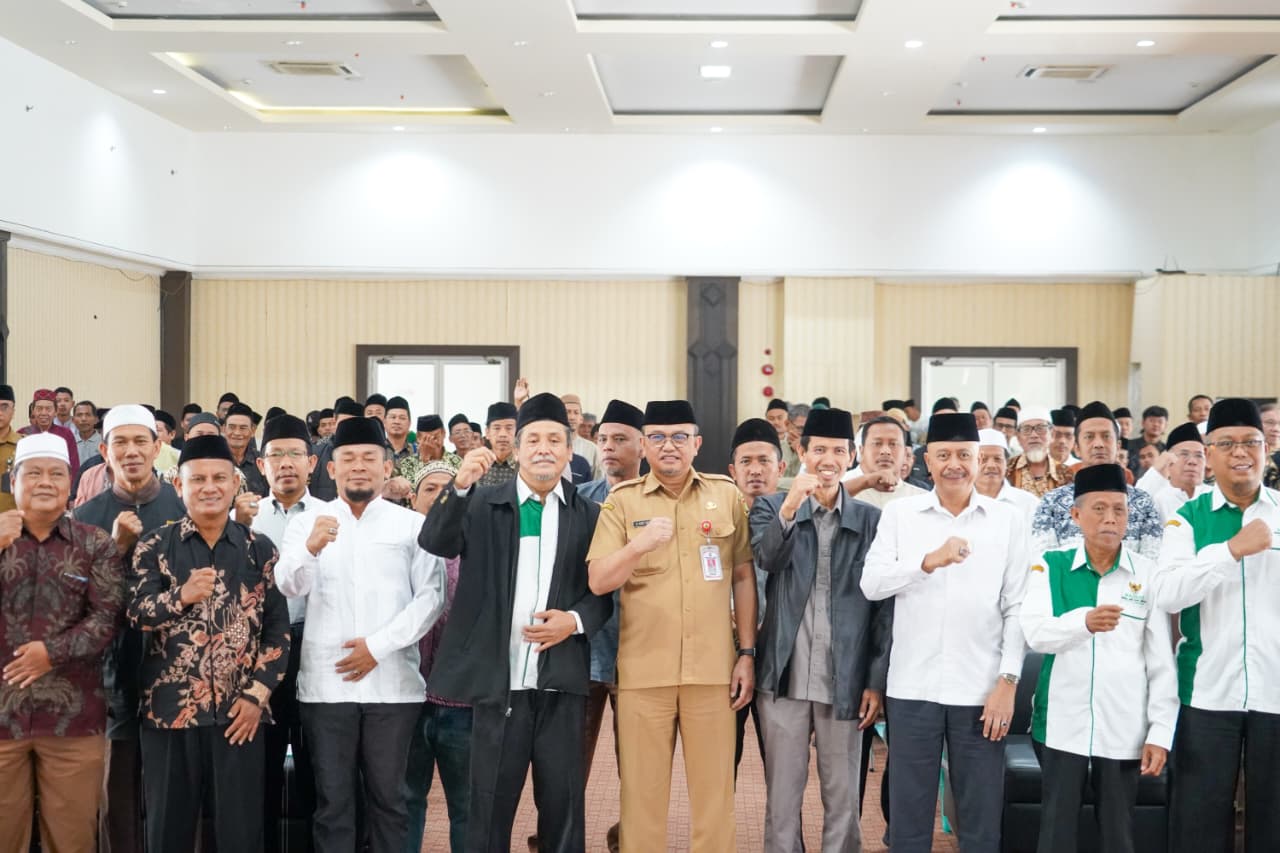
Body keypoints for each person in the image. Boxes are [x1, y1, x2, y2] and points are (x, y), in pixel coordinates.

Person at [420, 393, 611, 853]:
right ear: (517, 448)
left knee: (563, 806)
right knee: (488, 807)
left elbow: (604, 594)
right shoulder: (482, 503)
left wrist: (574, 621)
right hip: (498, 684)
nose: (544, 448)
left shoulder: (589, 515)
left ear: (570, 450)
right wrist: (459, 486)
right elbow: (436, 541)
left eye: (554, 440)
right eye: (534, 440)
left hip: (560, 682)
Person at [587, 400, 756, 853]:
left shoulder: (726, 496)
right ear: (644, 445)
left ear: (697, 443)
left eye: (680, 436)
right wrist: (637, 546)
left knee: (715, 798)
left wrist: (747, 653)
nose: (669, 446)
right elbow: (599, 580)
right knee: (640, 799)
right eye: (658, 437)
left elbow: (743, 576)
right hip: (644, 672)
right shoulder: (621, 502)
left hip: (713, 671)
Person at [276, 417, 446, 853]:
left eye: (369, 458)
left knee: (390, 802)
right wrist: (311, 548)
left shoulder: (411, 526)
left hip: (393, 687)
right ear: (331, 469)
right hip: (326, 688)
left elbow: (431, 598)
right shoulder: (307, 525)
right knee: (332, 804)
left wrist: (377, 647)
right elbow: (289, 586)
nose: (358, 466)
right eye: (348, 458)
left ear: (386, 467)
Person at [862, 412, 1029, 853]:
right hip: (913, 686)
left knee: (980, 820)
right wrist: (926, 562)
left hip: (981, 690)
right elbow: (871, 584)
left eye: (964, 455)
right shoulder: (901, 515)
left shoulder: (1007, 520)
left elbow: (1017, 606)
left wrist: (1008, 682)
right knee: (909, 819)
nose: (954, 464)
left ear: (978, 459)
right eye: (943, 455)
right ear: (926, 461)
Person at [128, 434, 291, 852]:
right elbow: (136, 614)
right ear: (178, 485)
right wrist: (179, 597)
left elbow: (277, 631)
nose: (209, 487)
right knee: (168, 832)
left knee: (241, 833)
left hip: (240, 715)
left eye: (219, 478)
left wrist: (257, 697)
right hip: (170, 713)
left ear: (236, 483)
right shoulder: (154, 546)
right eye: (197, 479)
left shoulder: (259, 549)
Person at [751, 407, 890, 853]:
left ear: (852, 457)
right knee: (782, 796)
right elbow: (767, 559)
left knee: (844, 795)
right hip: (784, 675)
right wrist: (790, 506)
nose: (828, 460)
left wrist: (875, 681)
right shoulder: (770, 507)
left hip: (845, 679)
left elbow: (883, 611)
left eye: (838, 451)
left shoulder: (871, 521)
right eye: (819, 450)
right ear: (801, 452)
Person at [1020, 463, 1178, 853]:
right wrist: (1083, 623)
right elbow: (1036, 633)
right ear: (1076, 515)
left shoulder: (1147, 574)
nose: (1110, 518)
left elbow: (1161, 664)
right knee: (1056, 833)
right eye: (1099, 509)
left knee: (1118, 834)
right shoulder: (1050, 566)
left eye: (1119, 510)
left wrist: (1160, 732)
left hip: (1125, 725)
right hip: (1060, 722)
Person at [1154, 398, 1280, 853]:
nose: (1240, 452)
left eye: (1251, 442)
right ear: (1208, 455)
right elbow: (1168, 593)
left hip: (1275, 689)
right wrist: (1231, 550)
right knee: (1198, 823)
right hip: (1207, 691)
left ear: (1267, 449)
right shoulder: (1186, 519)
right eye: (1226, 444)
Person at [0, 433, 123, 853]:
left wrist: (51, 654)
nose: (45, 482)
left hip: (74, 719)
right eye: (33, 473)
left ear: (70, 483)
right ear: (13, 481)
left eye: (56, 474)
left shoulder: (94, 543)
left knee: (72, 839)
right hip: (2, 719)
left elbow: (107, 617)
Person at [73, 404, 188, 853]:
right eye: (120, 442)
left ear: (159, 448)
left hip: (176, 668)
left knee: (173, 789)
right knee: (116, 788)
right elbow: (74, 597)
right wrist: (115, 549)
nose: (132, 451)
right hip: (111, 672)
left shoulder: (183, 507)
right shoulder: (86, 517)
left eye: (141, 441)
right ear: (105, 451)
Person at [247, 414, 319, 853]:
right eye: (276, 455)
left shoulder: (332, 515)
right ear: (261, 464)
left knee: (315, 767)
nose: (286, 463)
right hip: (261, 653)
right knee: (263, 766)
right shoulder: (246, 518)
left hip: (315, 649)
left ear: (312, 462)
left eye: (295, 453)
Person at [577, 399, 646, 853]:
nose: (608, 447)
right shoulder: (580, 499)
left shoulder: (658, 499)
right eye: (603, 439)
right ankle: (558, 836)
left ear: (643, 445)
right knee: (567, 758)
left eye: (620, 439)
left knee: (637, 761)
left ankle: (630, 838)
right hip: (583, 647)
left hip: (639, 648)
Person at [403, 459, 471, 853]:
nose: (440, 497)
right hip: (406, 699)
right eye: (430, 489)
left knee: (467, 806)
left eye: (449, 489)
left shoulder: (477, 551)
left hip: (462, 703)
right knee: (406, 800)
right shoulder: (398, 549)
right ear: (413, 499)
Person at [726, 417, 786, 778]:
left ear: (781, 468)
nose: (755, 470)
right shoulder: (718, 519)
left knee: (782, 766)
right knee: (720, 762)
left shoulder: (797, 517)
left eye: (764, 461)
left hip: (778, 655)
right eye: (746, 462)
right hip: (727, 653)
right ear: (733, 471)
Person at [1031, 402, 1163, 561]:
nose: (1099, 444)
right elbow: (1044, 564)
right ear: (1077, 448)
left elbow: (1152, 563)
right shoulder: (1051, 502)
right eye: (1089, 437)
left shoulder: (1143, 502)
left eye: (1106, 436)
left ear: (1118, 445)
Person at [845, 415, 926, 508]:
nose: (885, 451)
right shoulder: (839, 488)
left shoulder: (920, 499)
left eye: (893, 444)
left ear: (904, 453)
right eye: (877, 443)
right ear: (861, 451)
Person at [1006, 406, 1072, 500]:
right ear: (1018, 437)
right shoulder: (1006, 470)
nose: (1034, 435)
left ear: (1052, 434)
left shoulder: (1066, 474)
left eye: (1040, 428)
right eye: (1026, 429)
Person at [976, 428, 1040, 521]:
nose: (991, 465)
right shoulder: (959, 502)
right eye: (983, 459)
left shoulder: (1029, 504)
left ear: (1007, 463)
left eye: (998, 459)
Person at [20, 388, 80, 474]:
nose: (44, 413)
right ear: (33, 411)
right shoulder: (23, 433)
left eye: (48, 409)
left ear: (55, 411)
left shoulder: (66, 434)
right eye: (39, 409)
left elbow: (74, 467)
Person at [476, 402, 519, 488]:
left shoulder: (524, 466)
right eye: (497, 428)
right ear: (487, 433)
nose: (503, 434)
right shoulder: (478, 464)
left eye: (509, 428)